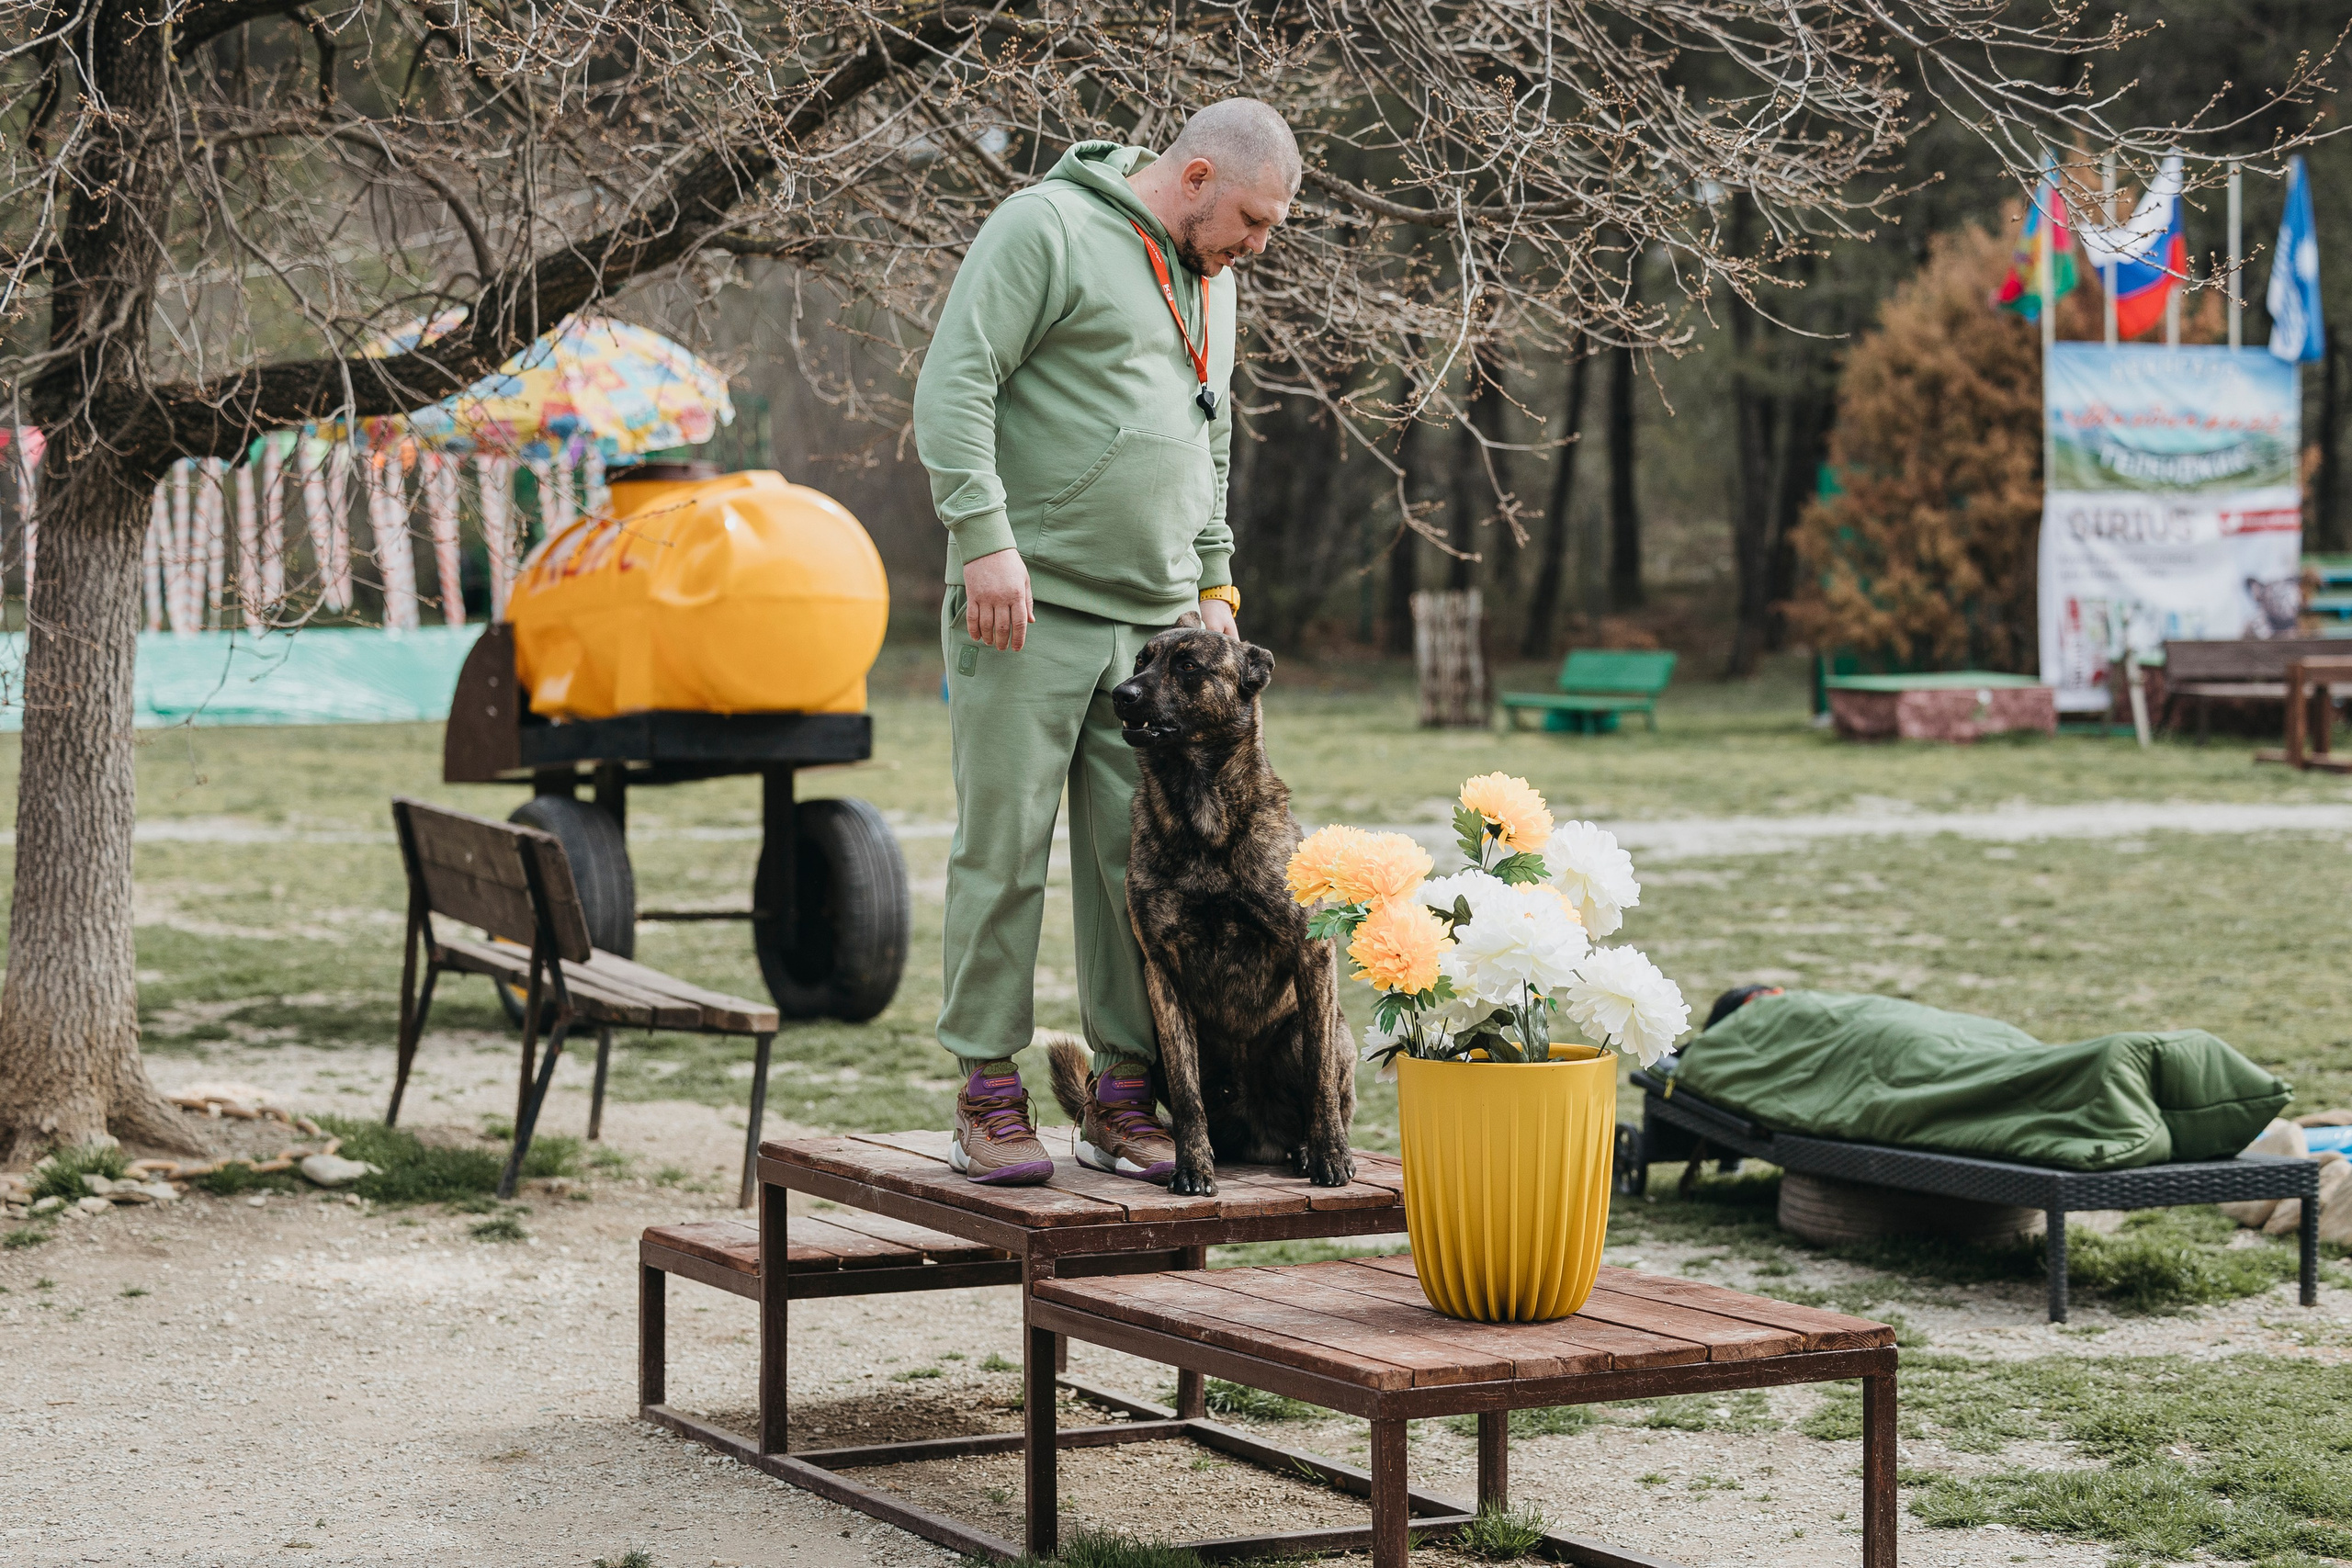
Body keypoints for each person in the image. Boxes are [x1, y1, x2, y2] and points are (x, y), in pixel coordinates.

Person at [912, 101, 1304, 1184]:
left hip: (1158, 629)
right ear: (1191, 175)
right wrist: (983, 540)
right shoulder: (1042, 229)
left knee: (1137, 869)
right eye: (1250, 220)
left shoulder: (1212, 284)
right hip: (1023, 605)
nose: (1257, 247)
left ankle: (1124, 1092)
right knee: (1002, 851)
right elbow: (954, 384)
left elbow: (1208, 441)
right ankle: (987, 1092)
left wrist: (1214, 582)